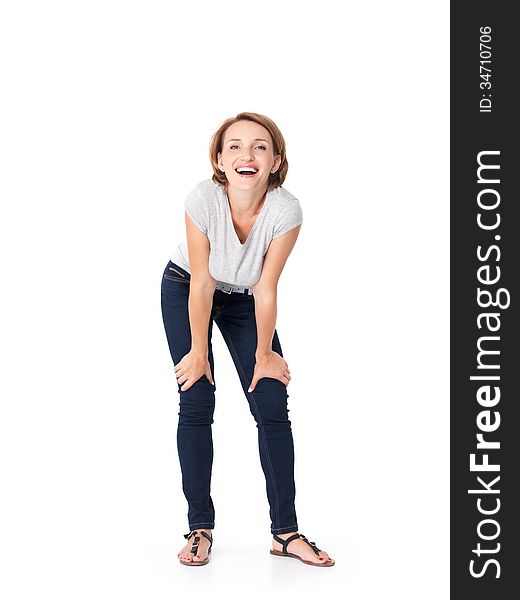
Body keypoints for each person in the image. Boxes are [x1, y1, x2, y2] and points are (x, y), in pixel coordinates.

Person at [160, 112, 335, 567]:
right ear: (219, 160)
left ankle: (286, 533)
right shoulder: (202, 198)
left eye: (260, 146)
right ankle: (200, 527)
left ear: (276, 161)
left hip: (245, 298)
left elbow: (266, 287)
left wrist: (263, 355)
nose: (247, 155)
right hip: (187, 287)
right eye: (234, 146)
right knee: (196, 397)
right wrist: (199, 353)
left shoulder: (285, 210)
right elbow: (201, 283)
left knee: (271, 401)